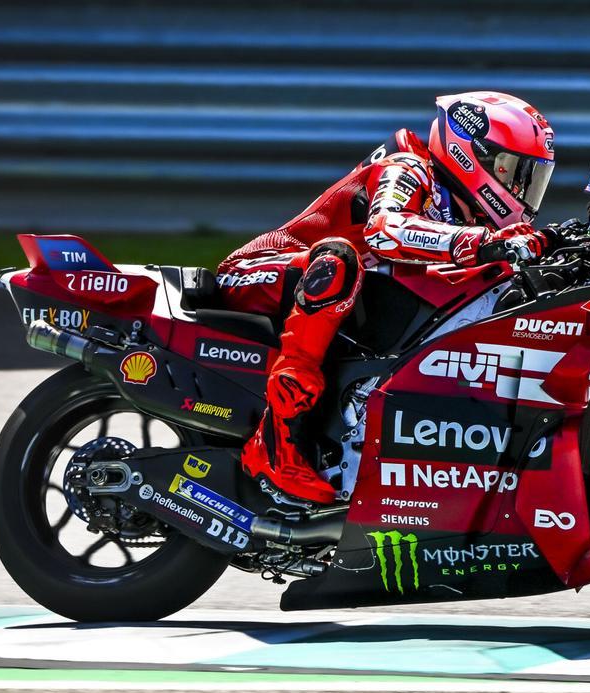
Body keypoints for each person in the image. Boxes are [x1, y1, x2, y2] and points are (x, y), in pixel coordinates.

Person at [215, 91, 557, 506]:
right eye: (511, 171)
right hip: (257, 272)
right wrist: (484, 242)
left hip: (327, 295)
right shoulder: (408, 168)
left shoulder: (462, 207)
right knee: (338, 261)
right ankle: (276, 441)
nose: (519, 188)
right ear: (471, 156)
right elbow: (385, 230)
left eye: (530, 177)